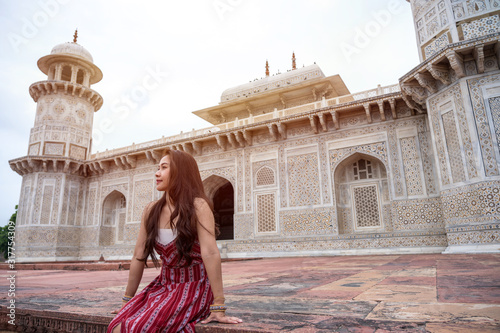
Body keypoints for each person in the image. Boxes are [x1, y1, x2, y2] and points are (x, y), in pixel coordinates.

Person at [107, 149, 242, 332]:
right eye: (158, 168)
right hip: (163, 285)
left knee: (136, 327)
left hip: (194, 288)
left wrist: (218, 305)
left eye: (163, 168)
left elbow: (210, 253)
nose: (157, 173)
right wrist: (127, 300)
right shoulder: (151, 210)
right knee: (116, 325)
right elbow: (139, 255)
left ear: (180, 173)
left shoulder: (198, 206)